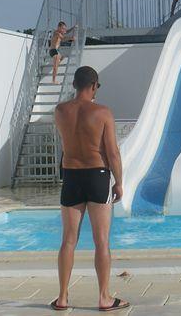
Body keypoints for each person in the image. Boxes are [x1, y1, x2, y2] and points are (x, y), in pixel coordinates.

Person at [51, 66, 128, 312]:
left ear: (74, 84)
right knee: (101, 241)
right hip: (98, 175)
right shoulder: (103, 112)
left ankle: (62, 297)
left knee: (68, 240)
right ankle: (104, 298)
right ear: (94, 86)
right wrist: (119, 181)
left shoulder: (60, 111)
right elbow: (112, 152)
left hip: (72, 176)